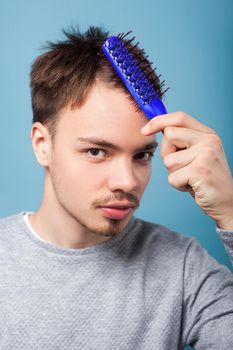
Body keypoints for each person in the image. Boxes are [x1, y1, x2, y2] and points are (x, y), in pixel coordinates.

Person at [0, 26, 233, 349]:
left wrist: (231, 214)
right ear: (42, 144)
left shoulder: (183, 268)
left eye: (142, 154)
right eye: (97, 152)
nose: (127, 182)